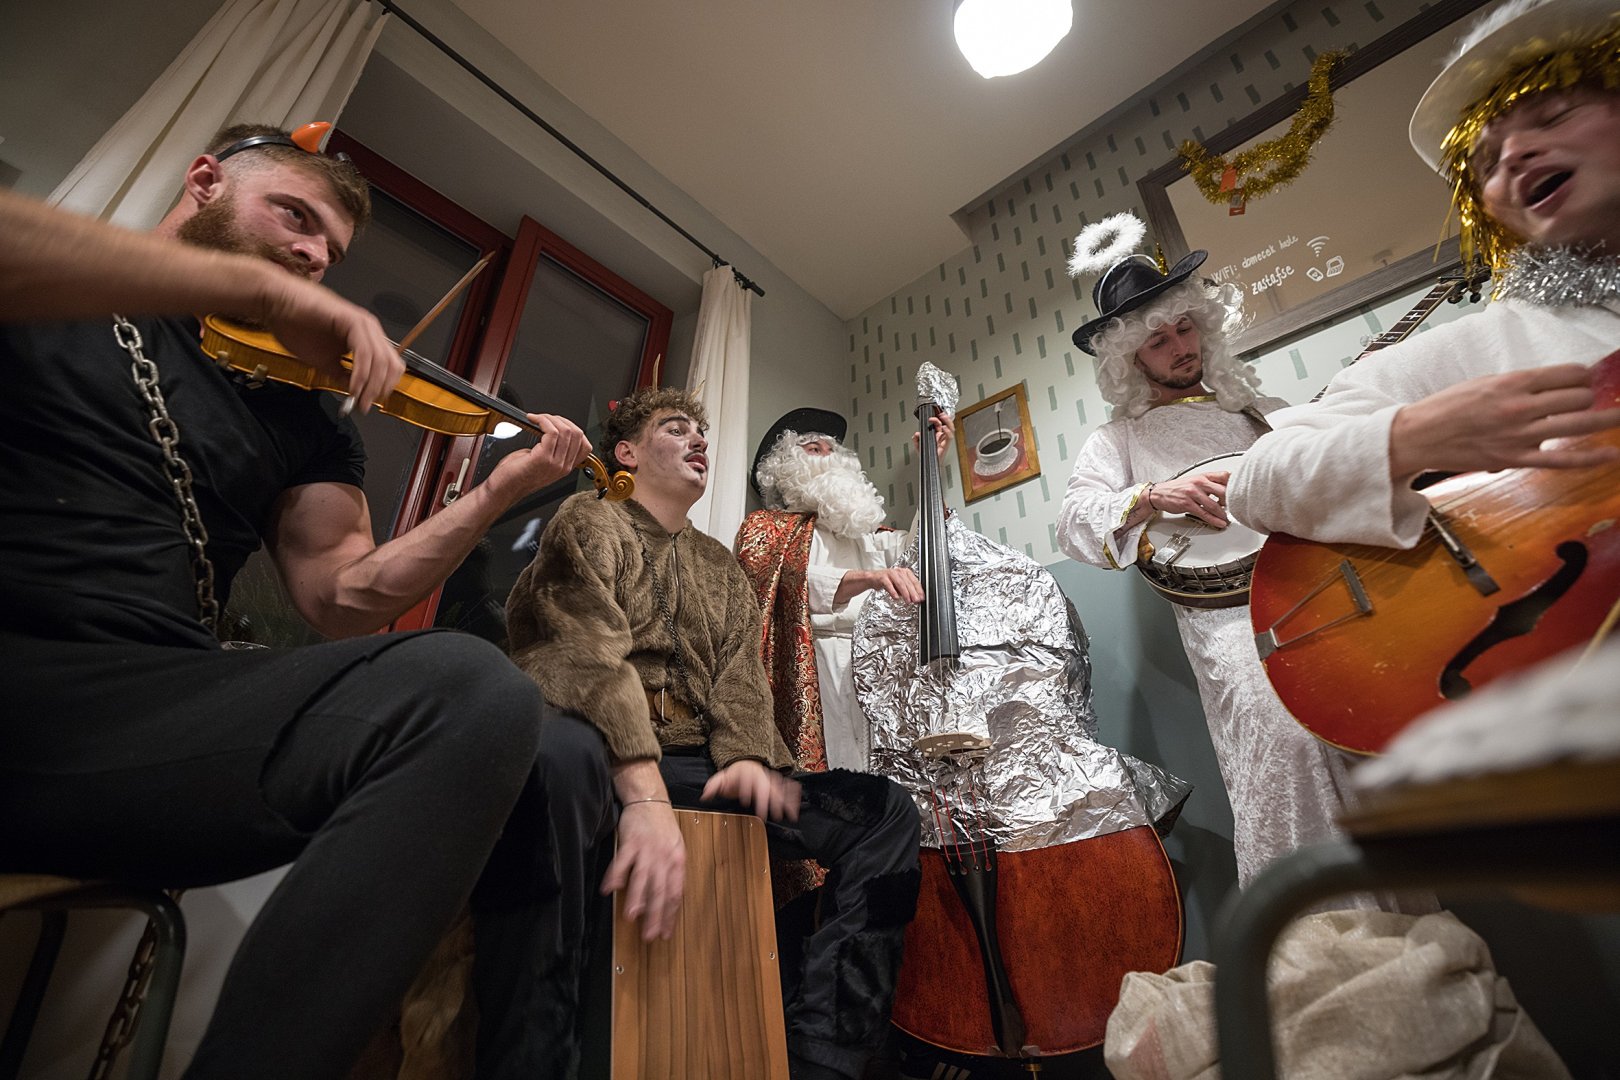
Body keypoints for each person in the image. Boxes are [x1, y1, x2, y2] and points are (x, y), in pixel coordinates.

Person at [0, 125, 592, 1079]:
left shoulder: (302, 412)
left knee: (480, 695)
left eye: (331, 251)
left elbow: (346, 598)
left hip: (136, 720)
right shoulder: (69, 277)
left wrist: (498, 492)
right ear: (204, 181)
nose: (316, 255)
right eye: (295, 216)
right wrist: (264, 291)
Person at [484, 386, 922, 1080]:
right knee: (552, 773)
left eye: (702, 432)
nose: (698, 441)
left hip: (699, 765)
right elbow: (583, 655)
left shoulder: (719, 563)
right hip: (602, 754)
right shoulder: (589, 521)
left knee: (885, 813)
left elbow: (741, 679)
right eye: (675, 428)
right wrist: (643, 788)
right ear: (627, 453)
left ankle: (825, 1055)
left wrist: (748, 758)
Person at [1054, 226, 1385, 894]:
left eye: (1186, 328)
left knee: (1356, 746)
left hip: (1315, 589)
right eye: (1158, 340)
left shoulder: (1263, 412)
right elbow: (1070, 522)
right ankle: (1307, 935)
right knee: (1281, 751)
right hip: (1226, 621)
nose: (1181, 347)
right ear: (1129, 360)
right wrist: (1152, 495)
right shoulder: (1119, 439)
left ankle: (1402, 933)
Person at [1228, 0, 1620, 542]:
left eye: (1554, 116)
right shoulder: (1484, 342)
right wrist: (1409, 437)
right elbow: (1257, 477)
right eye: (1487, 163)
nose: (1513, 156)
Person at [735, 408, 948, 775]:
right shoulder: (766, 529)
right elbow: (792, 586)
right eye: (814, 449)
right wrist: (869, 578)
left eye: (833, 449)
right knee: (837, 777)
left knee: (888, 779)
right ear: (785, 468)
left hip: (880, 667)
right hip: (816, 663)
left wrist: (932, 466)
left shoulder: (871, 537)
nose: (829, 455)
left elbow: (925, 554)